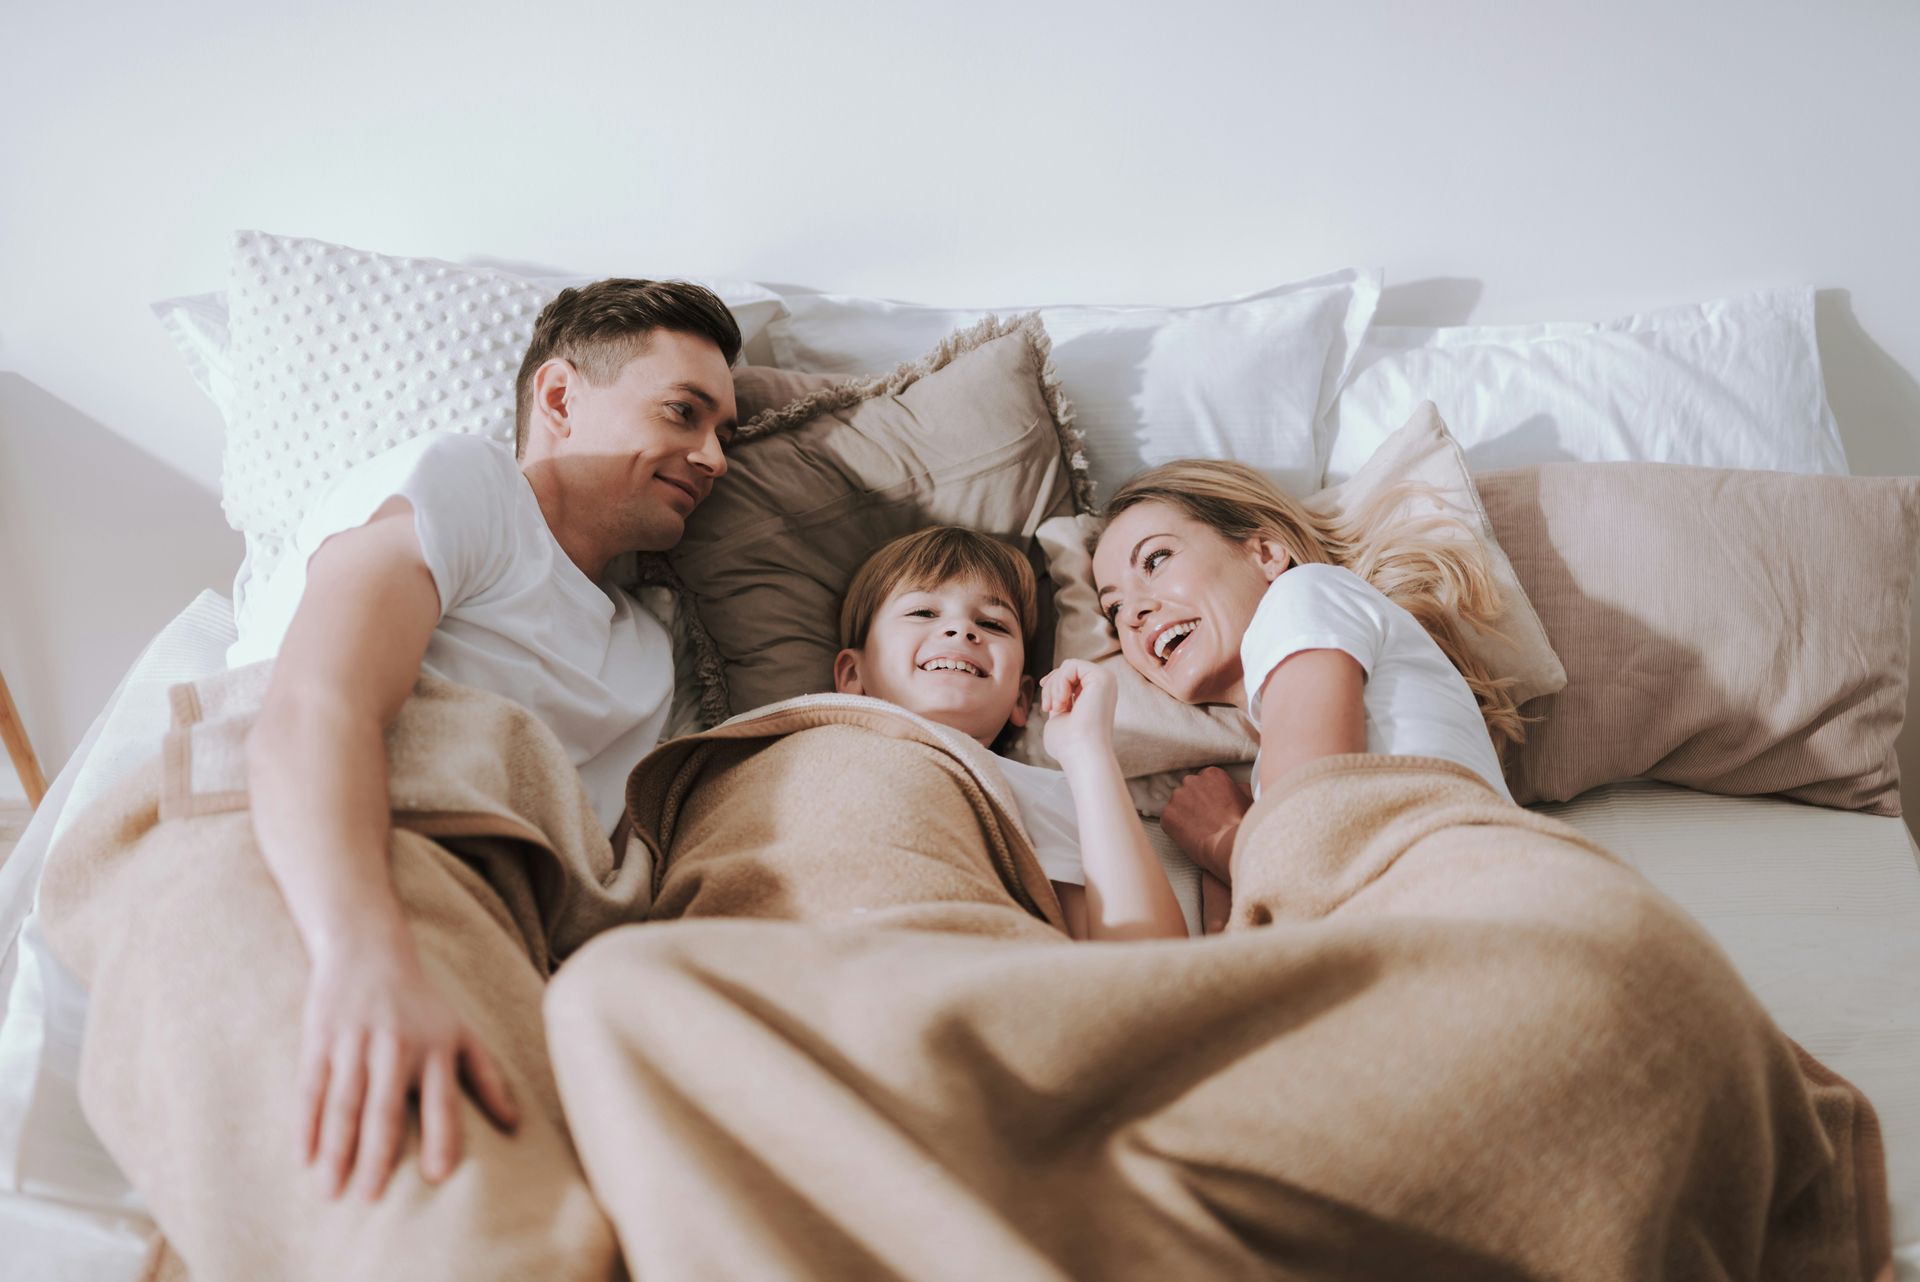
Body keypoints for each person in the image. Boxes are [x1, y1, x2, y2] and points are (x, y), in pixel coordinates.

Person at [224, 277, 741, 1203]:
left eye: (724, 432)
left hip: (506, 925)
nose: (715, 457)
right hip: (338, 869)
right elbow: (315, 706)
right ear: (557, 397)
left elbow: (606, 878)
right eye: (684, 412)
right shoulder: (472, 485)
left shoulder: (651, 651)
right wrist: (364, 960)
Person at [1091, 458, 1524, 900]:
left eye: (1156, 559)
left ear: (1266, 553)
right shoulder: (1266, 777)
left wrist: (1219, 839)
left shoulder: (1303, 593)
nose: (1133, 614)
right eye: (1113, 609)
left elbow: (1305, 856)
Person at [832, 525, 1187, 941]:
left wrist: (1088, 753)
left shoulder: (1037, 792)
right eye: (924, 612)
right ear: (853, 674)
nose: (962, 630)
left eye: (993, 623)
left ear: (1021, 698)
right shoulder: (801, 748)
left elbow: (1146, 958)